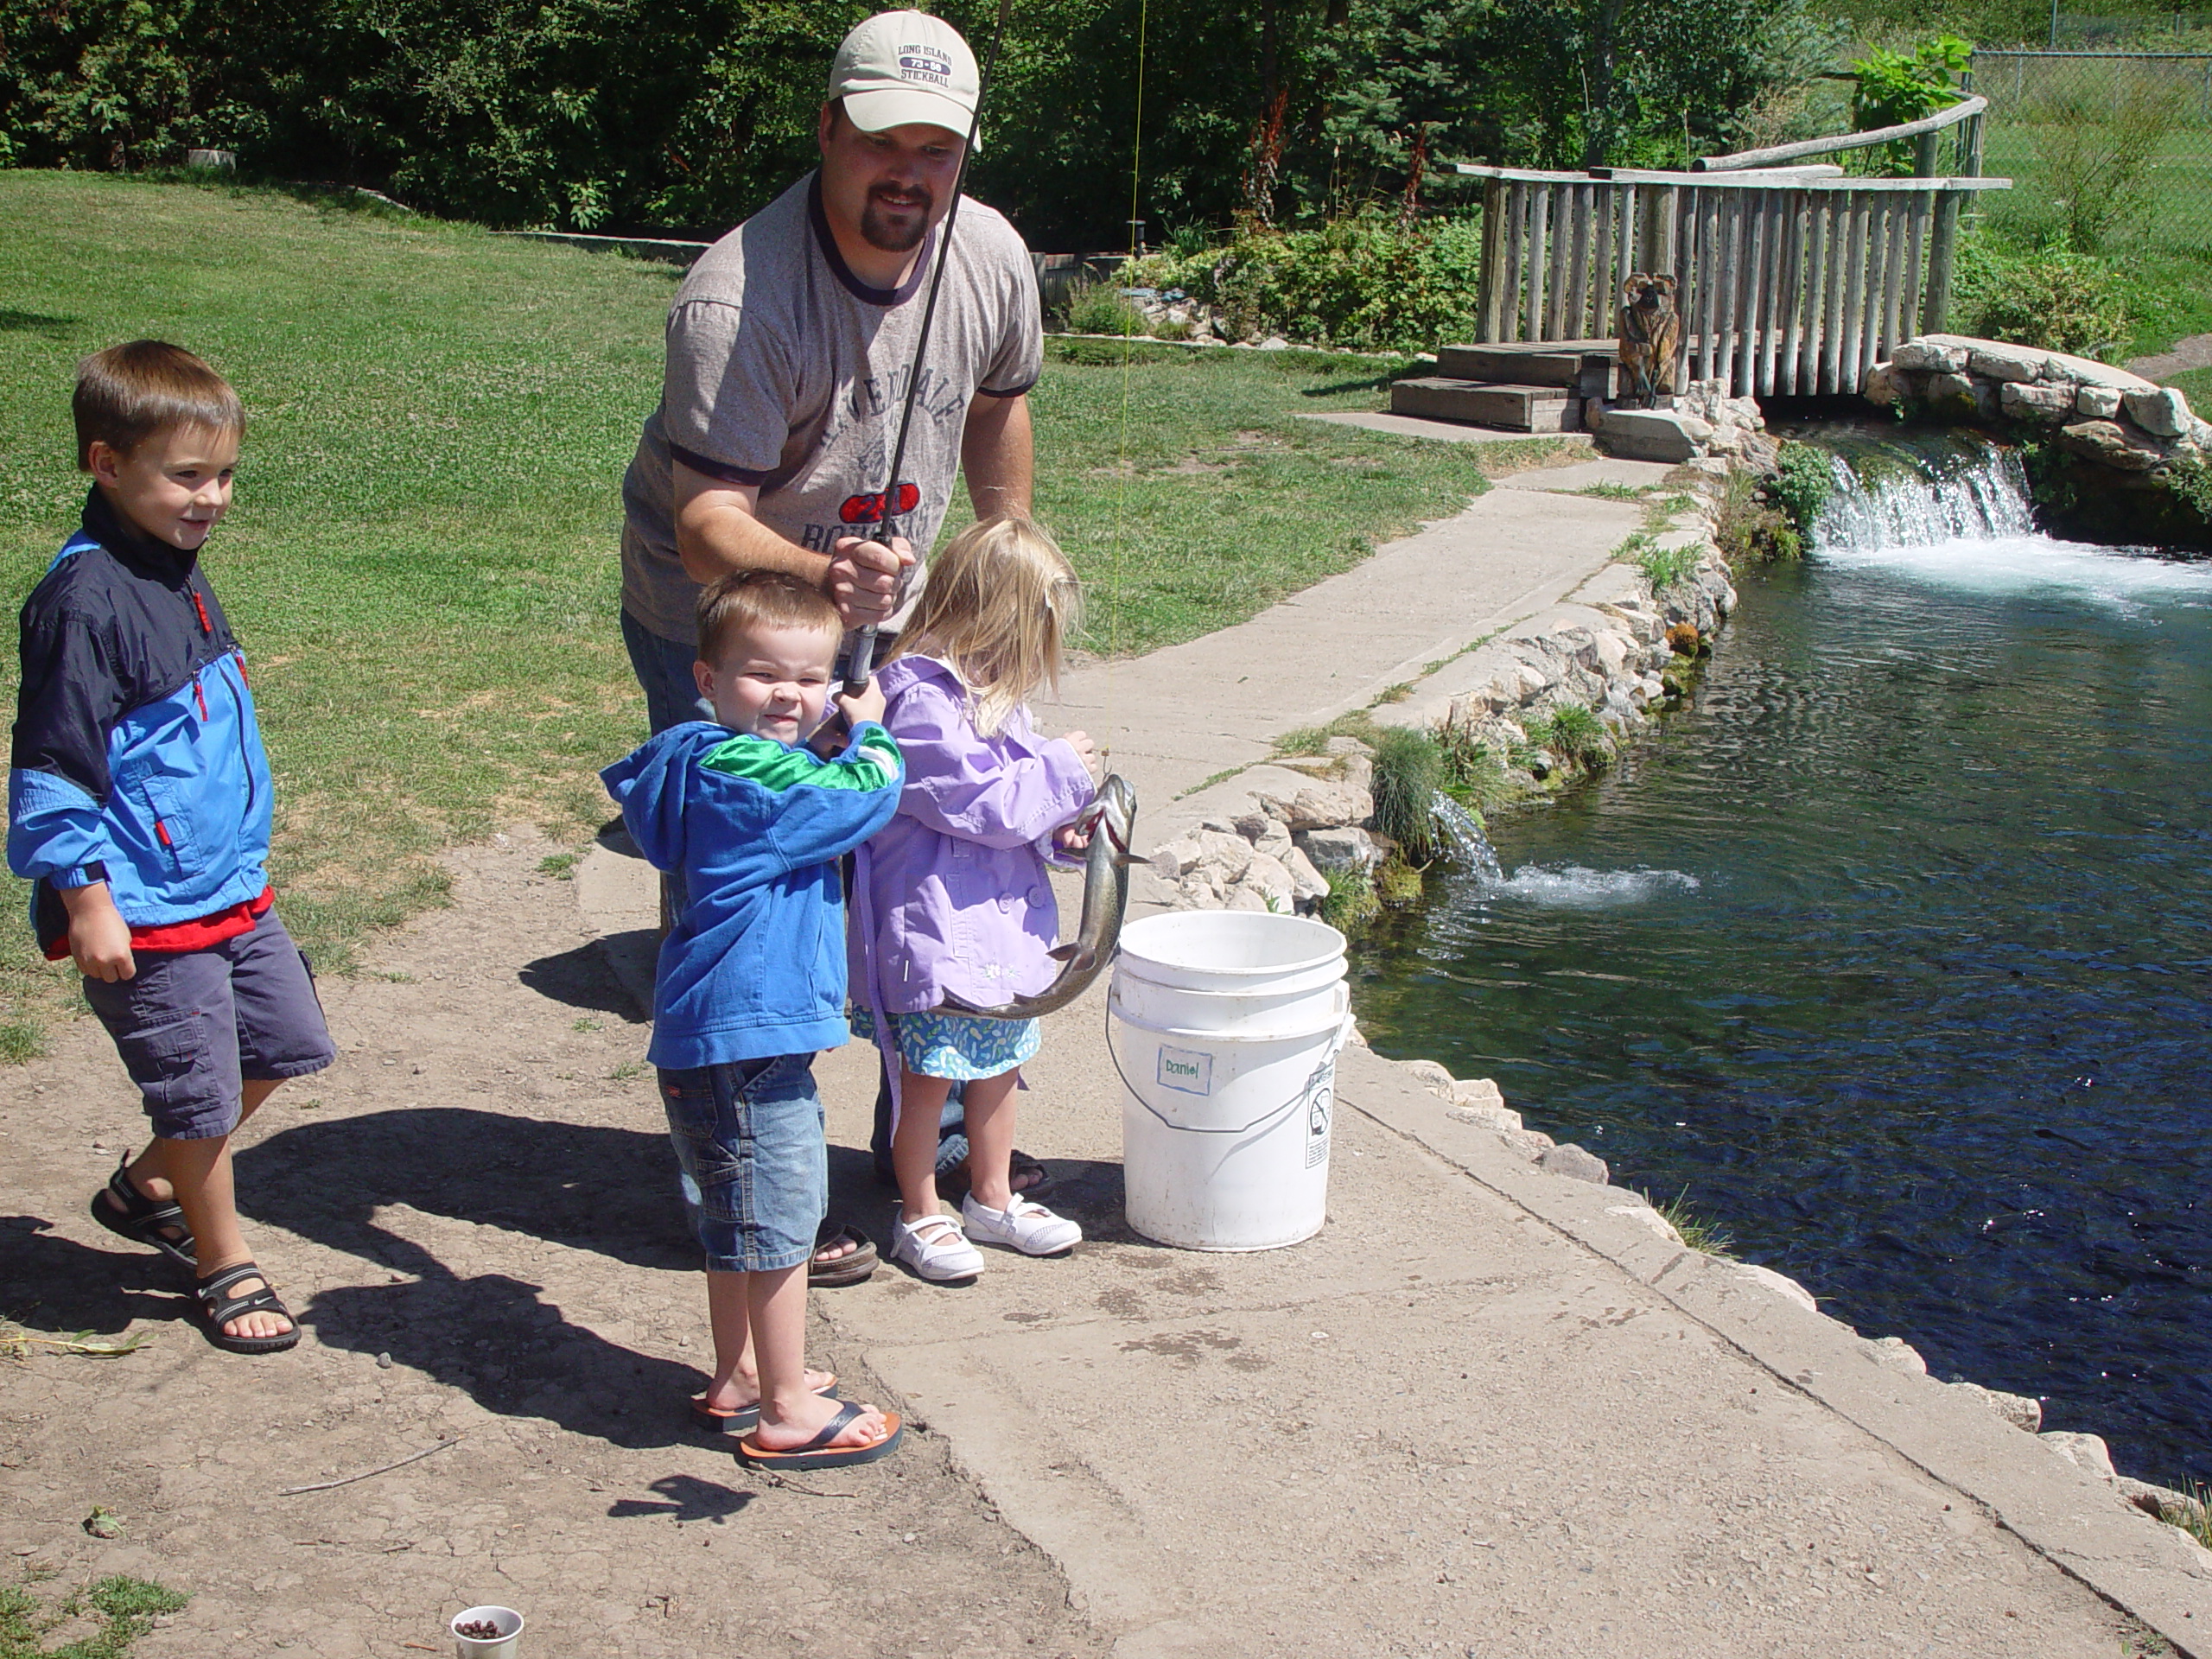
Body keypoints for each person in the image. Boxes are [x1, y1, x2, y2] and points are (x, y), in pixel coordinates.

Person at [617, 10, 1044, 1268]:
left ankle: (920, 1151)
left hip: (879, 603)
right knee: (749, 894)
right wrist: (825, 574)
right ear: (827, 133)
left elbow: (1001, 405)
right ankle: (742, 1179)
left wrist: (1007, 554)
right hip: (732, 613)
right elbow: (705, 524)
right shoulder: (736, 301)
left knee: (909, 862)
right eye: (882, 143)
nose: (910, 173)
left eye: (939, 149)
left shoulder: (992, 255)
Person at [10, 340, 336, 1355]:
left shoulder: (176, 569)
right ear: (107, 464)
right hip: (145, 907)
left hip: (224, 886)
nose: (213, 498)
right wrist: (85, 896)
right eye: (187, 476)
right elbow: (53, 765)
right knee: (198, 1095)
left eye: (225, 475)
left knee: (288, 1043)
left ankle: (150, 1184)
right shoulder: (87, 599)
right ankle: (223, 1261)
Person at [601, 570, 905, 1469]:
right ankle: (784, 1407)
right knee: (778, 1225)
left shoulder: (708, 760)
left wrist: (832, 728)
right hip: (749, 1038)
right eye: (762, 674)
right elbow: (862, 799)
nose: (790, 694)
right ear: (705, 678)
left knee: (739, 1219)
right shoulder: (749, 777)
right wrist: (872, 724)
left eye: (811, 679)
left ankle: (737, 1379)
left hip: (729, 1036)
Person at [848, 517, 1100, 1283]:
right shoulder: (918, 702)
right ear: (991, 616)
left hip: (998, 935)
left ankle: (991, 1198)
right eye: (1030, 636)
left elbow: (1016, 821)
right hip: (937, 935)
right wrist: (1061, 772)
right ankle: (920, 1209)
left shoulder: (993, 699)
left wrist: (1063, 832)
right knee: (926, 1080)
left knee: (1000, 1067)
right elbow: (982, 804)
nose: (1029, 660)